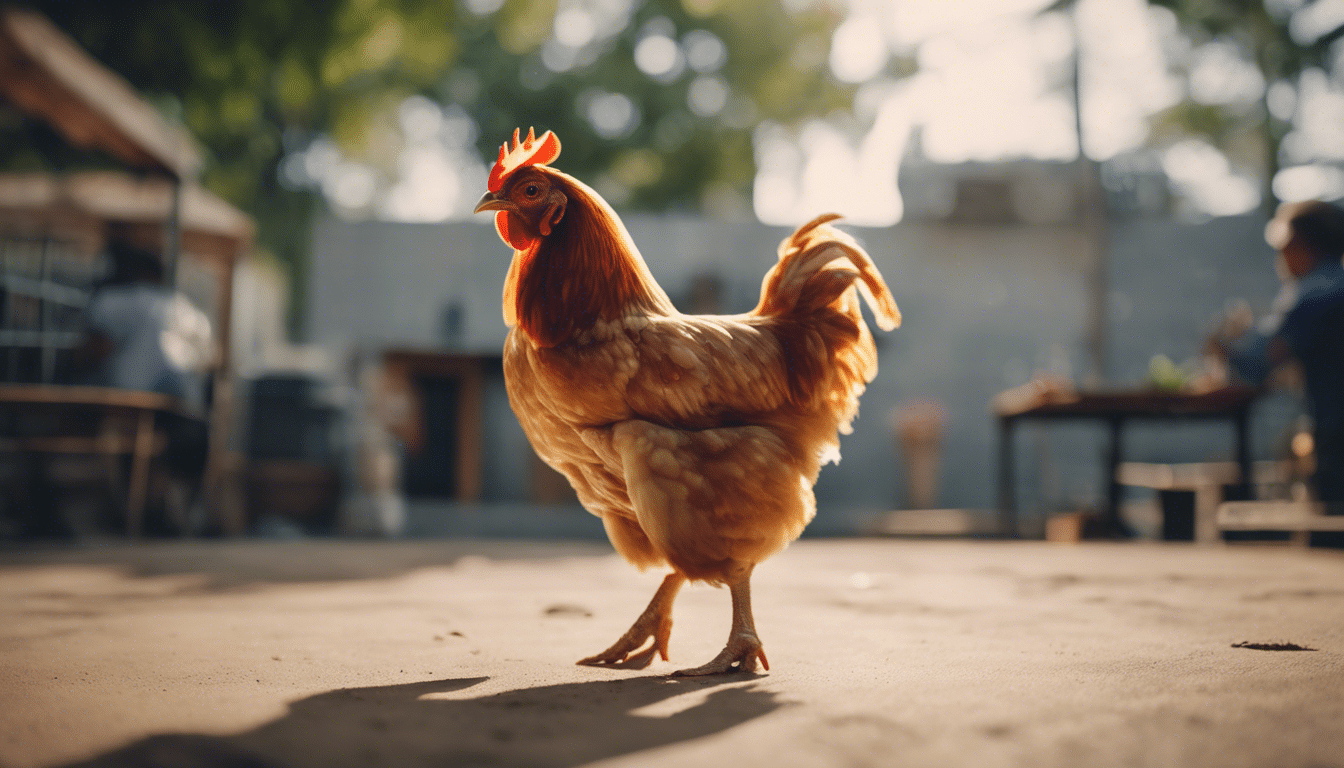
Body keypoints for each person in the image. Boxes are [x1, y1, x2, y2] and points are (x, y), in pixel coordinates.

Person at [1209, 200, 1344, 524]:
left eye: (1282, 247)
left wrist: (1223, 348)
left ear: (1299, 246)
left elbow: (1257, 364)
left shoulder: (1313, 298)